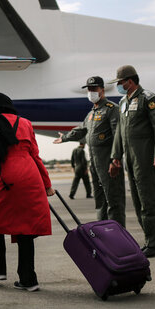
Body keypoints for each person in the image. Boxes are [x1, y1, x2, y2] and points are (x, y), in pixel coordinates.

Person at [0, 92, 55, 292]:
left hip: (8, 174)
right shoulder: (26, 123)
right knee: (26, 227)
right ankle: (29, 280)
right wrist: (47, 184)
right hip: (31, 175)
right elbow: (36, 156)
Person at [109, 65, 155, 258]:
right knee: (137, 202)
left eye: (120, 82)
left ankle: (154, 243)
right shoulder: (124, 102)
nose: (118, 86)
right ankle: (150, 241)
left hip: (146, 159)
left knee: (149, 201)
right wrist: (115, 156)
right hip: (131, 161)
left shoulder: (148, 99)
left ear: (130, 81)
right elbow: (120, 131)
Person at [53, 76, 125, 226]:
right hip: (95, 164)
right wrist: (65, 137)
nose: (91, 92)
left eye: (94, 89)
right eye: (89, 89)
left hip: (108, 162)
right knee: (100, 201)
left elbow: (118, 136)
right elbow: (82, 130)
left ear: (102, 90)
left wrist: (115, 159)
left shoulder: (112, 109)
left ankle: (118, 238)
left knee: (113, 201)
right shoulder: (92, 113)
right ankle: (103, 232)